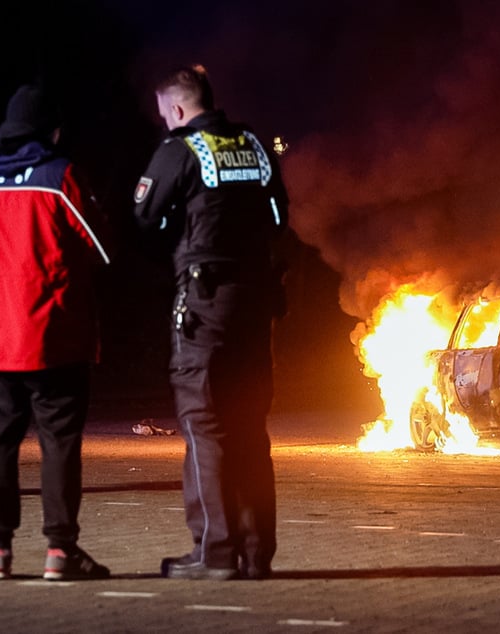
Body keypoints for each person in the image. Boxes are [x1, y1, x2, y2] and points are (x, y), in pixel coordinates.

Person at [132, 64, 289, 580]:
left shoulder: (181, 148)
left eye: (164, 116)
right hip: (256, 299)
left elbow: (144, 216)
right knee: (249, 424)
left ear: (177, 109)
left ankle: (214, 553)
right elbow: (278, 217)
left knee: (205, 424)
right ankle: (255, 551)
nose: (165, 124)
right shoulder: (253, 145)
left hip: (205, 303)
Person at [0, 83, 112, 581]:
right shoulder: (58, 174)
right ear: (53, 130)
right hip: (53, 335)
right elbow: (102, 245)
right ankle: (59, 551)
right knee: (59, 442)